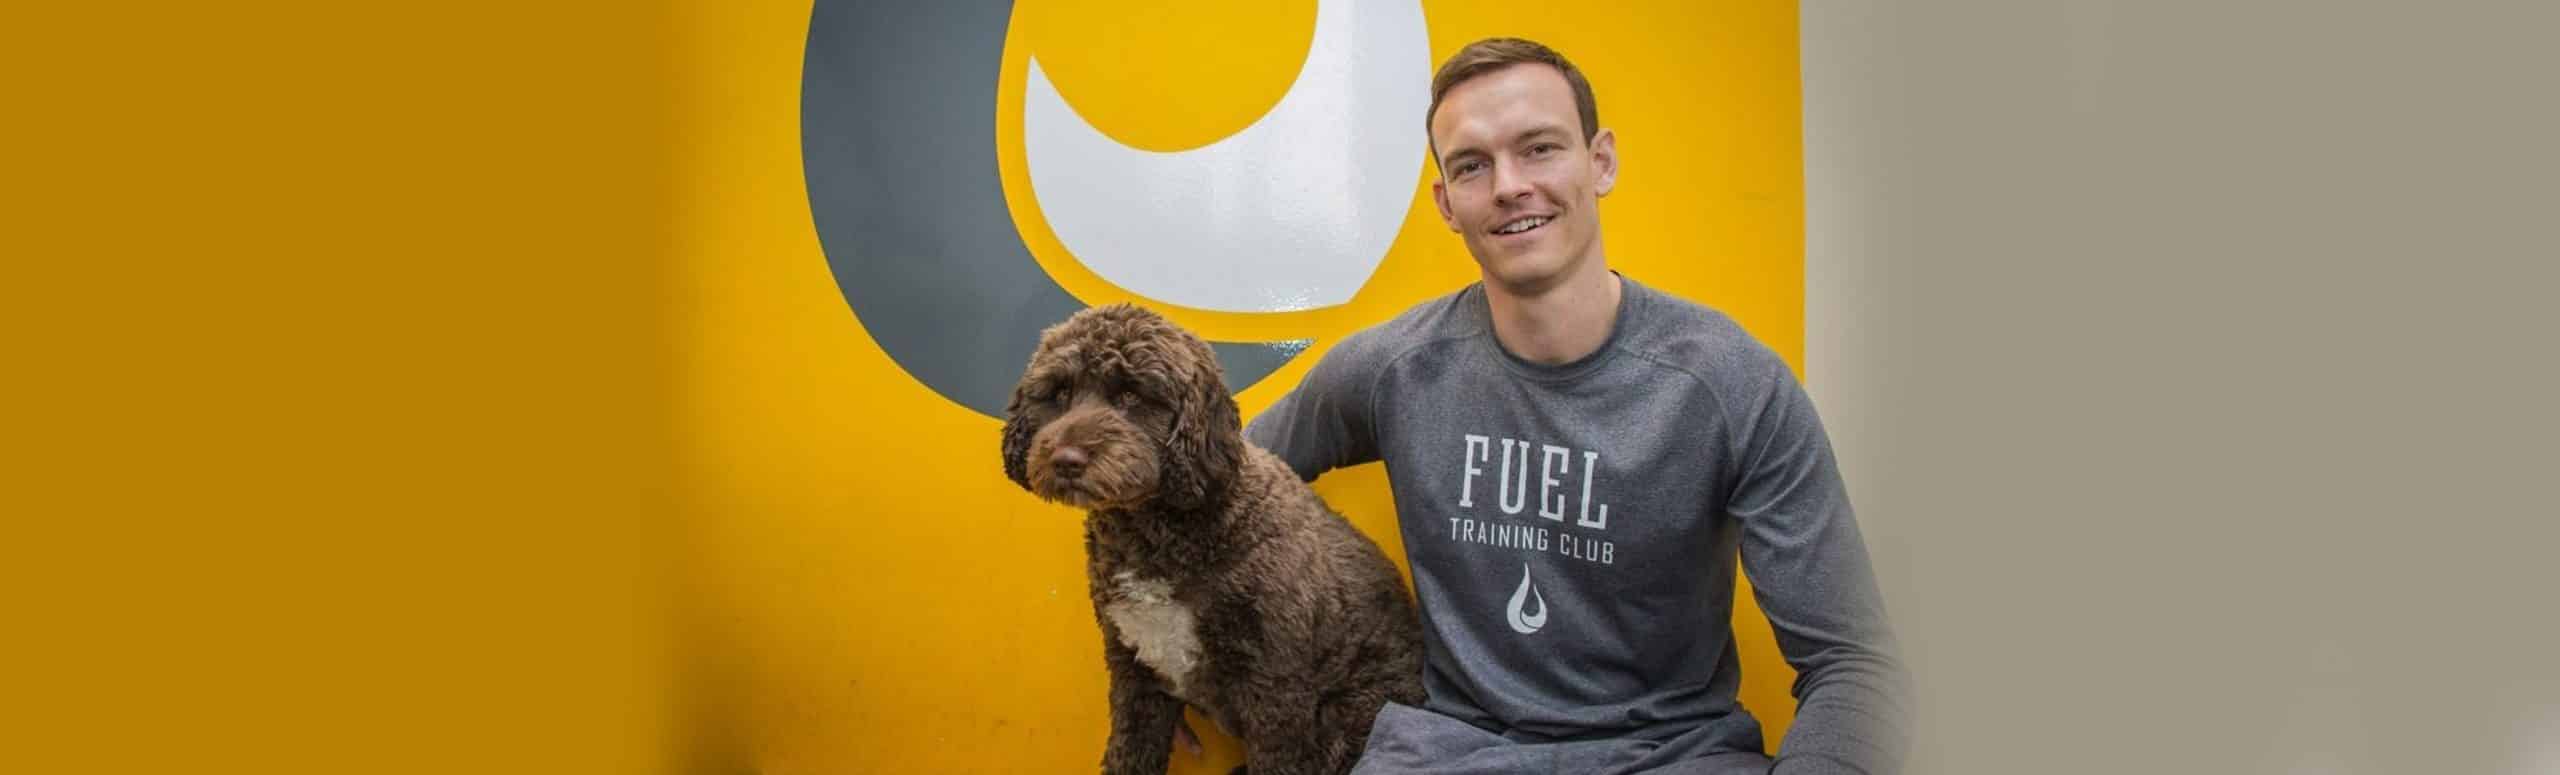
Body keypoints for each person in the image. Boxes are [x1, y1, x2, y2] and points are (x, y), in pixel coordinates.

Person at [1243, 38, 1909, 774]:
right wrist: (1182, 653)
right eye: (1472, 165)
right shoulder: (1393, 368)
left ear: (1601, 162)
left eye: (1539, 148)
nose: (1508, 185)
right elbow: (1210, 484)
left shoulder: (1731, 385)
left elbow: (1853, 663)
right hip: (1451, 754)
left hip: (1675, 754)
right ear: (1447, 204)